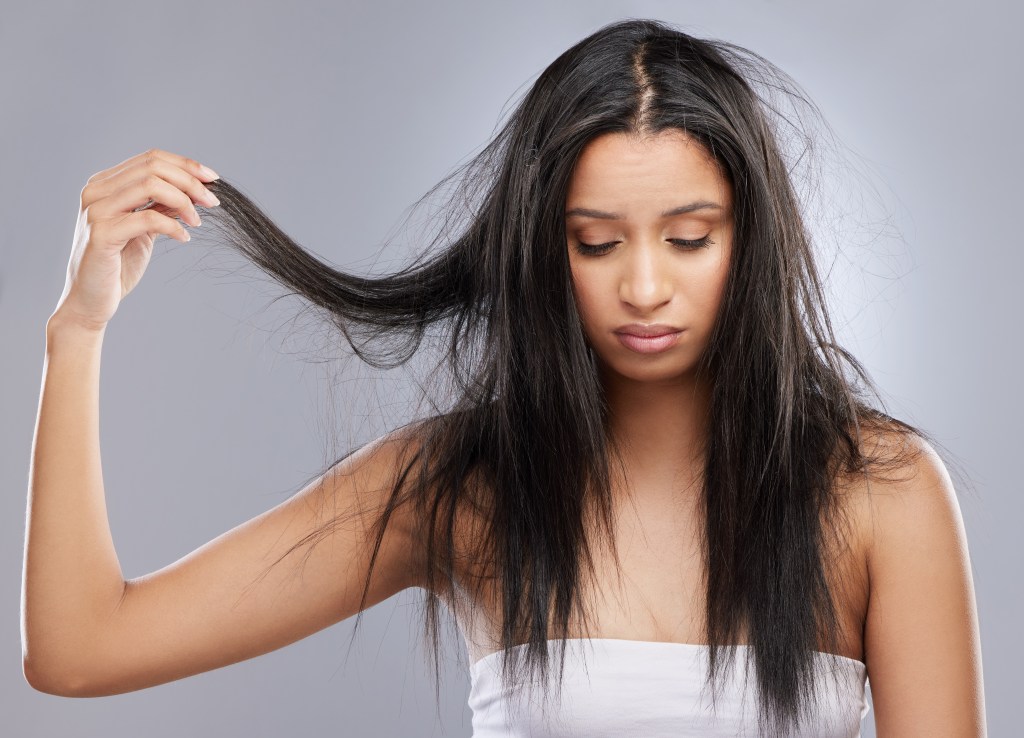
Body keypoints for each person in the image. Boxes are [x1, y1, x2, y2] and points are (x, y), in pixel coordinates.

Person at [21, 17, 986, 737]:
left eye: (690, 239)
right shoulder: (464, 485)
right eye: (595, 243)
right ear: (540, 251)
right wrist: (77, 330)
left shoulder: (880, 493)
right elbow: (80, 648)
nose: (644, 287)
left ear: (752, 241)